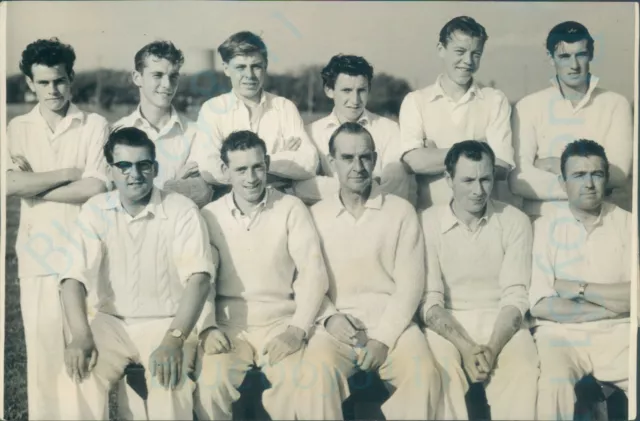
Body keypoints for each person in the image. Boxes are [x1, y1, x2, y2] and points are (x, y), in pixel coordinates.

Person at [56, 127, 216, 420]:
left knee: (170, 381)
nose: (135, 174)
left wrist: (174, 339)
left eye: (143, 165)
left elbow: (199, 279)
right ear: (111, 170)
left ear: (154, 168)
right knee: (77, 375)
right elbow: (72, 278)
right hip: (111, 324)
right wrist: (80, 335)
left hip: (168, 323)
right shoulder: (95, 210)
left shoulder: (181, 209)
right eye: (124, 166)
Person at [296, 122, 442, 420]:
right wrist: (329, 317)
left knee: (424, 374)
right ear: (332, 162)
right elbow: (307, 282)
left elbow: (410, 287)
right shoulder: (315, 216)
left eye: (365, 157)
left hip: (394, 327)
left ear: (375, 159)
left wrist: (383, 340)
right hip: (336, 328)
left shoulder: (401, 212)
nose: (357, 167)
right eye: (347, 158)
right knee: (315, 375)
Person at [6, 38, 109, 420]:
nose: (53, 90)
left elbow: (96, 187)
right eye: (44, 82)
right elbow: (10, 185)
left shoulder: (95, 124)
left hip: (85, 256)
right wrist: (68, 173)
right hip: (36, 257)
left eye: (60, 81)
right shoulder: (17, 128)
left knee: (85, 359)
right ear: (30, 83)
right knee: (44, 361)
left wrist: (36, 184)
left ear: (72, 79)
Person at [194, 130, 330, 420]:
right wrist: (207, 327)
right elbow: (200, 280)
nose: (251, 177)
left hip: (281, 323)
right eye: (241, 169)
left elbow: (313, 273)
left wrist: (297, 330)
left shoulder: (291, 208)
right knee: (209, 385)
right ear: (225, 171)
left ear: (267, 163)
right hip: (229, 326)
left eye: (257, 166)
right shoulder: (209, 216)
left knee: (299, 384)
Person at [420, 140, 539, 419]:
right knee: (438, 372)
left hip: (501, 324)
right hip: (448, 325)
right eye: (468, 180)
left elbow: (515, 296)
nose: (478, 190)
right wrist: (466, 347)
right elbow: (430, 301)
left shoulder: (515, 221)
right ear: (448, 179)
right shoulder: (426, 222)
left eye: (485, 179)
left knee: (524, 368)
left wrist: (493, 349)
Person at [529, 139, 631, 420]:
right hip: (561, 336)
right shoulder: (544, 227)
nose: (589, 183)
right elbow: (541, 306)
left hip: (618, 333)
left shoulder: (629, 224)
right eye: (578, 175)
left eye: (596, 174)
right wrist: (613, 305)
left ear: (606, 179)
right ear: (562, 182)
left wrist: (577, 288)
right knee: (552, 387)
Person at [509, 21, 633, 220]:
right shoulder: (528, 106)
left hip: (601, 221)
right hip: (543, 223)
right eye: (564, 56)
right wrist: (595, 180)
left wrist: (552, 164)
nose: (574, 66)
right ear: (551, 58)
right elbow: (519, 181)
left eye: (581, 55)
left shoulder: (616, 104)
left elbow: (618, 174)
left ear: (590, 55)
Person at [399, 16, 516, 211]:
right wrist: (480, 150)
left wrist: (434, 154)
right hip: (432, 218)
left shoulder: (495, 99)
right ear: (441, 49)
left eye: (476, 54)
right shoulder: (416, 101)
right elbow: (413, 163)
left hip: (484, 219)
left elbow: (502, 167)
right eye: (460, 52)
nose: (468, 61)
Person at [197, 31, 318, 192]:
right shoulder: (212, 110)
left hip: (277, 201)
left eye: (256, 66)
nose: (249, 75)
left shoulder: (284, 107)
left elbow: (309, 163)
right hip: (229, 202)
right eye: (240, 67)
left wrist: (239, 166)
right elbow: (209, 167)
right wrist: (278, 161)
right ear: (226, 69)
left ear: (265, 66)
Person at [290, 54, 414, 205]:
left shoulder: (389, 130)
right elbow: (301, 187)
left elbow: (395, 188)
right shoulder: (310, 133)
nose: (355, 100)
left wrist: (331, 184)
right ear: (329, 90)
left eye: (361, 90)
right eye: (347, 90)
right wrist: (368, 184)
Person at [113, 40, 220, 208]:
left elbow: (201, 193)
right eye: (157, 75)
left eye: (173, 76)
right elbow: (112, 194)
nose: (167, 85)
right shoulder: (116, 131)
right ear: (137, 77)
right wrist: (174, 184)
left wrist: (138, 189)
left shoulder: (195, 132)